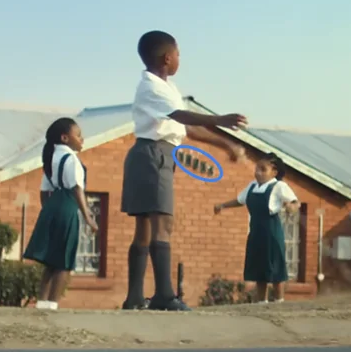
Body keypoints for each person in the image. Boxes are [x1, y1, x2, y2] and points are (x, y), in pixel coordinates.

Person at [121, 30, 248, 311]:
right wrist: (220, 119)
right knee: (162, 224)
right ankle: (164, 296)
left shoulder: (166, 88)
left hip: (150, 154)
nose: (180, 59)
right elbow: (180, 116)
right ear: (167, 58)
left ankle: (134, 298)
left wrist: (224, 144)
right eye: (178, 54)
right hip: (154, 154)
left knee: (145, 227)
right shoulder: (152, 87)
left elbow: (185, 127)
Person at [23, 118, 99, 310]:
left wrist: (49, 211)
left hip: (52, 206)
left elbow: (44, 191)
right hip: (67, 206)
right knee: (64, 260)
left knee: (50, 261)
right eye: (78, 135)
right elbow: (76, 189)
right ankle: (53, 304)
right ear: (65, 138)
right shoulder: (71, 159)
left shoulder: (51, 160)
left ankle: (42, 302)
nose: (82, 139)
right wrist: (88, 217)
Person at [214, 152, 300, 304]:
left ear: (274, 172)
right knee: (260, 266)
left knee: (275, 266)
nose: (258, 173)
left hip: (271, 231)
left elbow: (295, 202)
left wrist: (291, 207)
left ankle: (279, 300)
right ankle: (261, 301)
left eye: (263, 169)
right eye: (257, 169)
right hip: (255, 231)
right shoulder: (252, 186)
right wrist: (222, 205)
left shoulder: (279, 186)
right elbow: (240, 200)